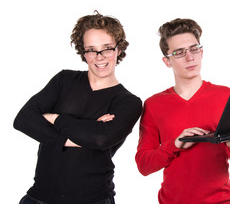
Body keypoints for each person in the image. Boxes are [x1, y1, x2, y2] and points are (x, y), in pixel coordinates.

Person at [14, 11, 142, 204]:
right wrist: (84, 132)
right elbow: (23, 120)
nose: (99, 57)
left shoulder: (128, 102)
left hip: (93, 199)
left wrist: (55, 119)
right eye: (91, 49)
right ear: (84, 52)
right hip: (39, 197)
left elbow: (100, 139)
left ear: (118, 49)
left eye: (107, 48)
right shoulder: (64, 80)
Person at [135, 18, 230, 204]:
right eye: (179, 52)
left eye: (194, 49)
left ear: (201, 52)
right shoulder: (154, 104)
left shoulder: (226, 96)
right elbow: (144, 165)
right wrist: (175, 144)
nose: (189, 57)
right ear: (166, 61)